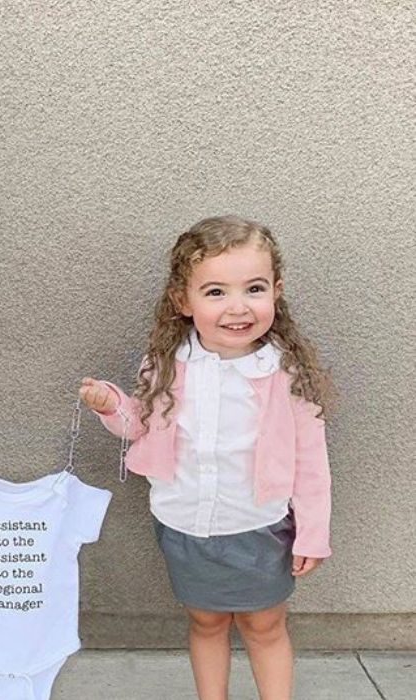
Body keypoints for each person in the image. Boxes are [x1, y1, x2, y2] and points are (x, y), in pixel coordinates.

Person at [80, 215, 333, 700]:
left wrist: (314, 532)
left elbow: (311, 459)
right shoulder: (166, 364)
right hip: (184, 523)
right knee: (206, 620)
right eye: (216, 292)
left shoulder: (284, 371)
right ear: (183, 300)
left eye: (253, 289)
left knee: (264, 625)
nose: (237, 307)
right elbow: (142, 427)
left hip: (258, 525)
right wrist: (113, 406)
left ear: (276, 292)